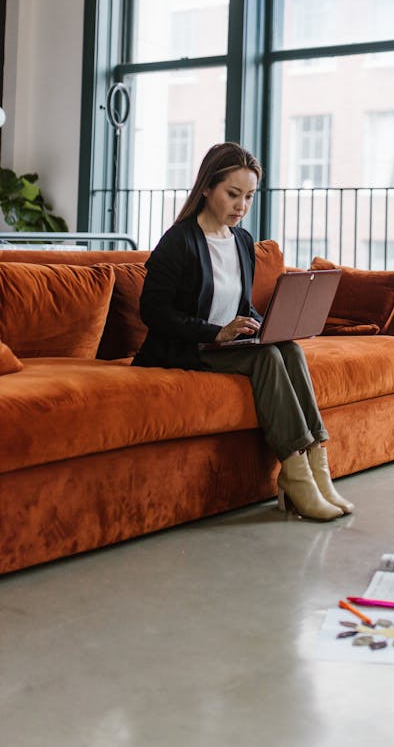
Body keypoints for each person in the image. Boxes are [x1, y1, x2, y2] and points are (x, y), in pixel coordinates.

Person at [132, 141, 353, 522]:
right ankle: (295, 473)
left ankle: (319, 463)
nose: (242, 206)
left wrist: (264, 324)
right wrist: (215, 332)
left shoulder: (243, 241)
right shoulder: (179, 241)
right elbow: (152, 312)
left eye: (249, 196)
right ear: (206, 188)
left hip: (225, 344)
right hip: (186, 346)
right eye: (233, 194)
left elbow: (240, 306)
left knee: (289, 350)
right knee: (267, 357)